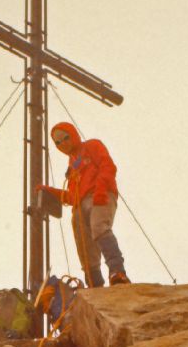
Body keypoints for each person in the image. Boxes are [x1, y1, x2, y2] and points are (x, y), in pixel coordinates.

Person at [37, 121, 130, 288]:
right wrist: (51, 191)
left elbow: (107, 166)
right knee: (83, 242)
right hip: (80, 204)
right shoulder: (72, 166)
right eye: (57, 143)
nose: (62, 144)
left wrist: (101, 191)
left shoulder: (92, 146)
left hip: (98, 195)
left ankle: (117, 270)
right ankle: (94, 281)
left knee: (99, 226)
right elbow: (72, 196)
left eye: (65, 138)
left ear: (73, 135)